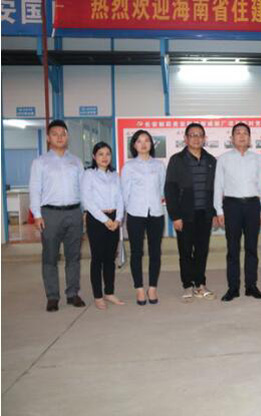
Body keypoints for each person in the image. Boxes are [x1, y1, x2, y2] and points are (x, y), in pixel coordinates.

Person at [29, 119, 86, 312]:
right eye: (55, 134)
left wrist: (84, 211)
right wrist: (37, 215)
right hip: (50, 214)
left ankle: (73, 294)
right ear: (48, 138)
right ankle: (52, 297)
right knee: (50, 257)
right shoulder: (40, 162)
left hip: (74, 212)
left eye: (63, 134)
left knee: (73, 257)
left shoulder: (76, 161)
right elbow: (35, 189)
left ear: (67, 137)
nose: (59, 137)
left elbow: (83, 189)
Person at [214, 122, 261, 302]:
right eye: (238, 133)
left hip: (253, 205)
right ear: (232, 138)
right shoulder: (223, 159)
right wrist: (219, 210)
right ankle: (233, 288)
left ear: (249, 138)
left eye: (245, 133)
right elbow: (218, 186)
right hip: (232, 206)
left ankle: (251, 286)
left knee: (252, 248)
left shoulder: (257, 159)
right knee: (233, 249)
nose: (242, 136)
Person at [165, 123, 217, 303]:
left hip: (205, 214)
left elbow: (215, 189)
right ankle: (187, 285)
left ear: (204, 138)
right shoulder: (177, 160)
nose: (196, 138)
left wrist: (214, 212)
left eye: (200, 135)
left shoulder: (211, 161)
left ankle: (200, 284)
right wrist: (175, 216)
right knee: (185, 251)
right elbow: (170, 189)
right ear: (185, 139)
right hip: (185, 214)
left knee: (202, 251)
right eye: (192, 135)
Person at [121, 130, 166, 305]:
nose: (143, 144)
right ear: (134, 145)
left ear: (151, 144)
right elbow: (125, 193)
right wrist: (124, 214)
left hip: (156, 213)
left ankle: (152, 287)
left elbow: (162, 189)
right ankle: (139, 288)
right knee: (137, 252)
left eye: (146, 140)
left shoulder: (159, 165)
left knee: (155, 252)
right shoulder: (129, 167)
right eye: (139, 141)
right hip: (135, 213)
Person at [82, 142, 125, 310]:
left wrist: (118, 219)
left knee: (110, 258)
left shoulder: (115, 175)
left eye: (108, 154)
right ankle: (98, 296)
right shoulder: (89, 174)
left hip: (114, 218)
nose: (104, 157)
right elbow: (87, 201)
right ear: (94, 156)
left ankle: (109, 292)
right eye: (100, 154)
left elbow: (120, 198)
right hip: (96, 219)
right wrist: (105, 220)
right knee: (97, 258)